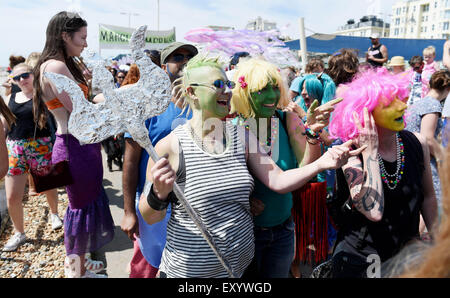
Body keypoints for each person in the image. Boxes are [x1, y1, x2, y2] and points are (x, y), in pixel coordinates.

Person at [138, 54, 363, 278]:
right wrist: (159, 194)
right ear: (192, 92)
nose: (227, 90)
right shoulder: (170, 146)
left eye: (228, 84)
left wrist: (323, 162)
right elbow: (150, 217)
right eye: (218, 84)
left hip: (239, 269)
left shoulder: (241, 136)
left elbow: (277, 179)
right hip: (190, 273)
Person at [230, 58, 339, 278]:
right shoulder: (231, 128)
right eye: (261, 89)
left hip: (283, 230)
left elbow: (305, 170)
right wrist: (244, 199)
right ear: (244, 92)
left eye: (274, 87)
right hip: (244, 233)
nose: (271, 96)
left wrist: (313, 135)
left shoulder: (286, 120)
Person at [328, 69, 437, 278]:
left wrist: (438, 241)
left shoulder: (417, 142)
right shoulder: (351, 152)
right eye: (390, 104)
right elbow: (373, 211)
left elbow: (429, 197)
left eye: (401, 99)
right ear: (366, 114)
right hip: (362, 260)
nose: (403, 106)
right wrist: (370, 151)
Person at [33, 11, 114, 278]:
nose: (86, 44)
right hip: (75, 147)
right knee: (79, 212)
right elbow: (82, 111)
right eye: (82, 38)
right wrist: (112, 101)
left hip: (71, 143)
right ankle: (76, 272)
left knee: (78, 208)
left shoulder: (49, 65)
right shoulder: (56, 67)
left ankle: (79, 268)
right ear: (64, 35)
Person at [122, 42, 197, 278]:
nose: (185, 61)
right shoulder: (145, 104)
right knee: (148, 265)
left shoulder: (202, 104)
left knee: (186, 265)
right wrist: (128, 212)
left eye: (189, 57)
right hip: (153, 202)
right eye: (178, 57)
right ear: (164, 66)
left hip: (193, 203)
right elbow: (131, 162)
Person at [1, 63, 62, 252]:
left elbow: (60, 115)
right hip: (15, 148)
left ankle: (54, 213)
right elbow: (4, 124)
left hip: (41, 145)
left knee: (49, 186)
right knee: (12, 196)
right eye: (17, 77)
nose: (21, 80)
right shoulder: (9, 97)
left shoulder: (43, 94)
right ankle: (19, 232)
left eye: (25, 75)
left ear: (33, 75)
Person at [406, 70, 450, 217]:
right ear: (447, 89)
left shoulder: (420, 103)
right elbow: (428, 138)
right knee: (432, 202)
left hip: (412, 157)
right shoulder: (433, 106)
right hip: (424, 161)